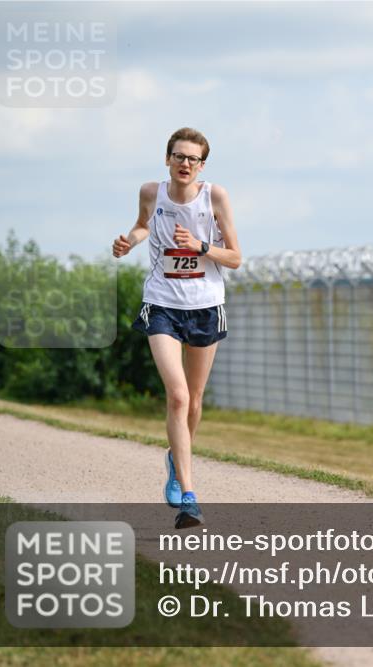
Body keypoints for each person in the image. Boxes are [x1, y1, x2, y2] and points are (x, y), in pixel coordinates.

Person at [112, 127, 241, 529]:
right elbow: (143, 224)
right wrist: (130, 241)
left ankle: (174, 458)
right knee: (179, 396)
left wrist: (200, 247)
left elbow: (235, 257)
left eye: (193, 159)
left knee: (196, 400)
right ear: (167, 158)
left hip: (205, 305)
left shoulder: (214, 197)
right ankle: (189, 496)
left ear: (202, 165)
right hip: (162, 302)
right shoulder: (151, 192)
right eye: (179, 156)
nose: (185, 164)